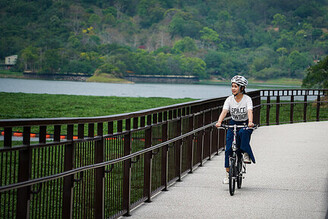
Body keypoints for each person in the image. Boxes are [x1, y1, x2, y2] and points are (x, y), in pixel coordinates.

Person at [215, 75, 255, 184]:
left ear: (242, 88)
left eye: (236, 86)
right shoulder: (229, 99)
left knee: (243, 132)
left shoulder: (247, 99)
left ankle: (246, 152)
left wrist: (250, 122)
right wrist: (219, 122)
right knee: (228, 149)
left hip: (245, 123)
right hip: (233, 124)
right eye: (232, 86)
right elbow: (224, 111)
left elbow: (249, 111)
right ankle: (228, 174)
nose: (233, 88)